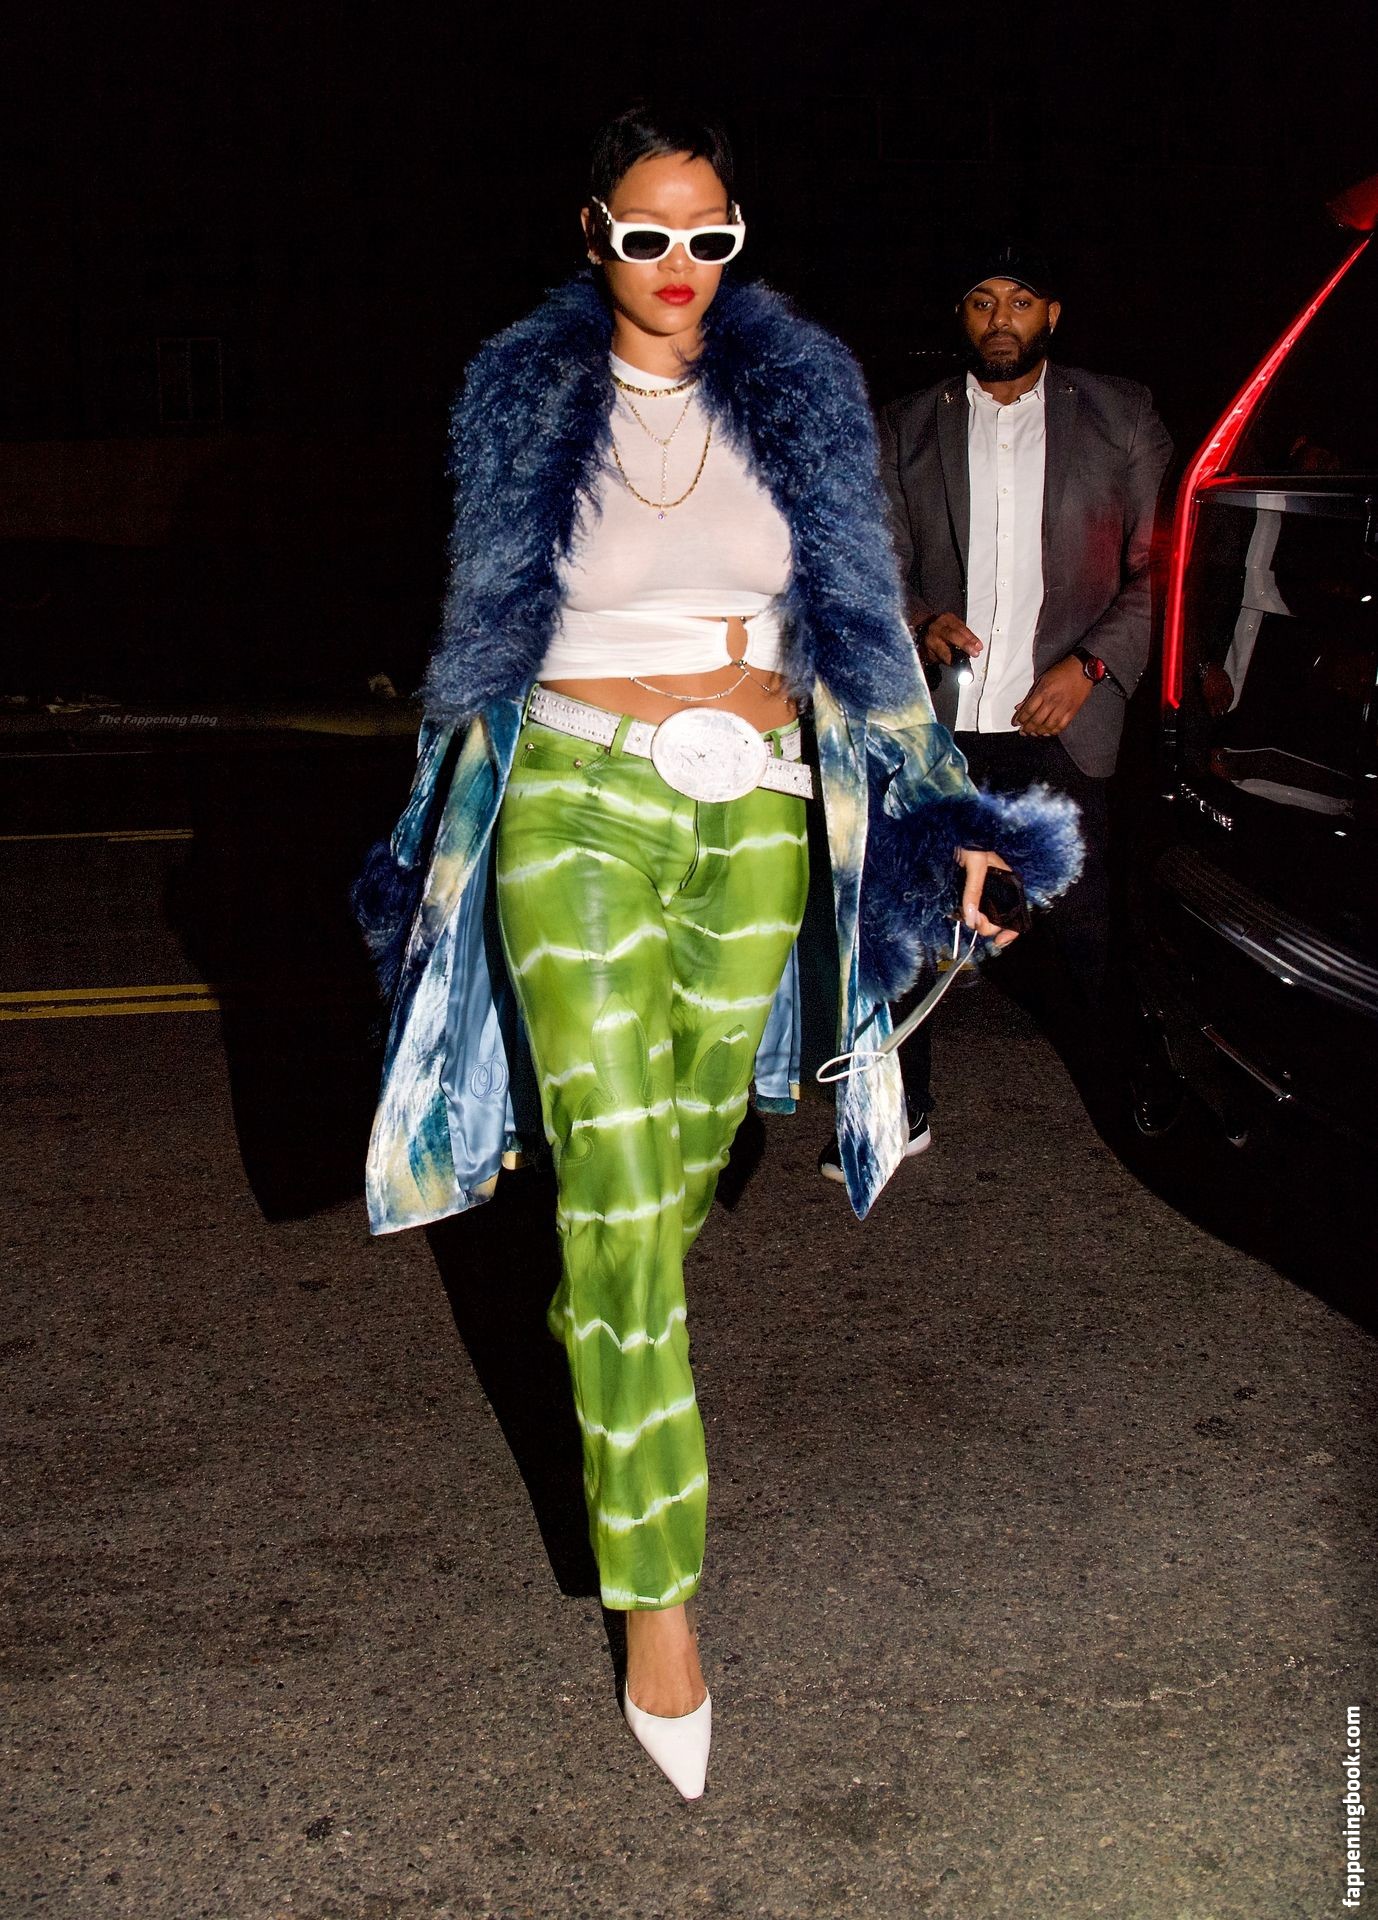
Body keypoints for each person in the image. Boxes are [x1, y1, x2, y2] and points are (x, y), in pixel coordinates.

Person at [354, 113, 1082, 1800]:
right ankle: (659, 1600)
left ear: (735, 238)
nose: (676, 268)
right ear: (591, 233)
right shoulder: (523, 394)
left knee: (672, 1177)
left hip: (754, 803)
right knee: (616, 1186)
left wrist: (945, 820)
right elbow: (473, 641)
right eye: (644, 236)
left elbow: (863, 631)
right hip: (573, 798)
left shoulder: (802, 392)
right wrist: (420, 849)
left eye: (707, 237)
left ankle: (600, 1290)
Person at [840, 245, 1172, 1168]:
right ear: (962, 316)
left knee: (1089, 923)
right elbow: (877, 560)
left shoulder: (1120, 415)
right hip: (940, 721)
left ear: (1050, 315)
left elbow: (1162, 566)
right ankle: (898, 1109)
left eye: (1019, 301)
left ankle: (1133, 1083)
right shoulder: (906, 423)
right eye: (981, 301)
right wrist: (919, 617)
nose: (999, 319)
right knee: (910, 913)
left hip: (1063, 717)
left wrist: (1089, 668)